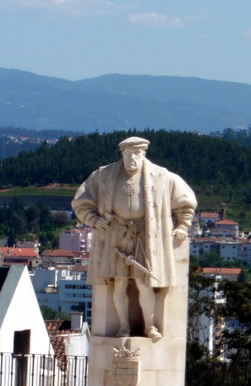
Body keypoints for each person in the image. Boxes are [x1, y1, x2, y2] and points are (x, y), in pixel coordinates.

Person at [72, 136, 197, 340]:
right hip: (115, 234)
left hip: (147, 236)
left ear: (143, 154)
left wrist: (183, 225)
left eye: (137, 154)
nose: (132, 158)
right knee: (119, 282)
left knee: (144, 282)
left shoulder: (162, 176)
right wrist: (93, 219)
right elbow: (81, 201)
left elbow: (186, 202)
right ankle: (123, 326)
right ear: (122, 154)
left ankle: (149, 326)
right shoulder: (104, 175)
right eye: (128, 154)